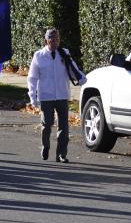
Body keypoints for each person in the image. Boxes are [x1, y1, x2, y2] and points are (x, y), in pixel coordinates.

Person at [27, 28, 87, 163]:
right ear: (46, 41)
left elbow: (73, 69)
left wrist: (81, 78)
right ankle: (45, 146)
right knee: (46, 124)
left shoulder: (64, 53)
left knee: (63, 126)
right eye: (52, 39)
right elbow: (32, 78)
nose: (54, 42)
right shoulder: (39, 56)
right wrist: (32, 96)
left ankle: (61, 154)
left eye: (57, 39)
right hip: (46, 96)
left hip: (62, 94)